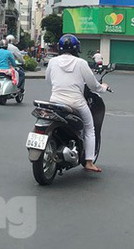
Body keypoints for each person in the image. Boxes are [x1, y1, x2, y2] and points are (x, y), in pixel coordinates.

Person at [46, 34, 108, 173]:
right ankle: (89, 162)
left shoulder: (52, 62)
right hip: (76, 102)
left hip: (55, 101)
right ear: (76, 48)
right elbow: (93, 85)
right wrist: (102, 88)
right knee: (89, 128)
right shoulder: (81, 63)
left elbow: (48, 80)